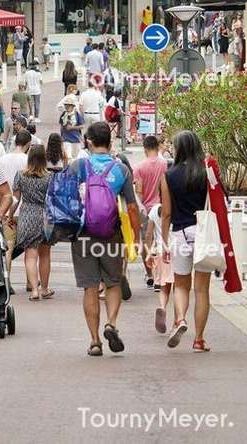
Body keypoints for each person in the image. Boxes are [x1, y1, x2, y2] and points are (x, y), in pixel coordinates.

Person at [67, 123, 141, 357]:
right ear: (110, 142)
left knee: (90, 287)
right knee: (113, 282)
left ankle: (95, 340)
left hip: (83, 233)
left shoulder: (78, 166)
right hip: (110, 233)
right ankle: (111, 322)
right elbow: (131, 206)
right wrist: (136, 238)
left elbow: (65, 199)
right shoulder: (120, 169)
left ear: (88, 141)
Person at [157, 131, 217, 352]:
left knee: (181, 285)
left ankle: (180, 319)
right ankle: (199, 340)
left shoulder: (168, 175)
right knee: (202, 289)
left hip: (180, 233)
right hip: (204, 233)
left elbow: (166, 213)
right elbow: (220, 201)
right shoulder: (206, 172)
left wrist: (164, 242)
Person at [13, 145, 54, 301]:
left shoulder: (20, 175)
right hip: (45, 216)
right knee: (45, 255)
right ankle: (44, 288)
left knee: (30, 256)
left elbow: (15, 199)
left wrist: (10, 215)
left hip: (27, 215)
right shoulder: (49, 177)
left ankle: (34, 290)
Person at [133, 135, 169, 288]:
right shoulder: (165, 165)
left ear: (145, 149)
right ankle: (161, 275)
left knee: (147, 242)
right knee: (161, 242)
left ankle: (150, 275)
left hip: (146, 209)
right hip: (162, 208)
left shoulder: (140, 167)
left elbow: (139, 191)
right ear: (157, 147)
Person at [1, 131, 32, 289]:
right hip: (26, 209)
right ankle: (30, 282)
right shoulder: (28, 161)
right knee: (30, 248)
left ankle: (7, 281)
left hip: (7, 208)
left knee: (8, 246)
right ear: (28, 144)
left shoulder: (3, 159)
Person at [59, 94, 85, 158]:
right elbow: (61, 126)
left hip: (75, 139)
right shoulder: (63, 115)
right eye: (66, 105)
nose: (67, 107)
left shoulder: (77, 114)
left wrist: (72, 127)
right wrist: (61, 137)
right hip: (66, 139)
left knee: (76, 157)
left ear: (72, 106)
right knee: (68, 157)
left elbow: (82, 126)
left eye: (69, 106)